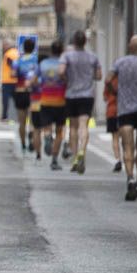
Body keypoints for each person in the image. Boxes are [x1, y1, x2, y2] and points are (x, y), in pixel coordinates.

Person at [110, 35, 137, 201]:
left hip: (125, 109)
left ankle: (130, 178)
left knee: (128, 146)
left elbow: (107, 79)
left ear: (129, 47)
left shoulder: (120, 62)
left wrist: (116, 92)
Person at [61, 30, 102, 174]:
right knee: (84, 125)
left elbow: (61, 72)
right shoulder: (92, 57)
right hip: (87, 95)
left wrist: (68, 81)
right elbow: (98, 76)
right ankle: (81, 152)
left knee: (72, 127)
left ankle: (74, 159)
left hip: (71, 94)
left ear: (74, 41)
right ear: (85, 42)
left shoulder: (67, 56)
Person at [38, 40, 68, 170]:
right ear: (62, 51)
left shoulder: (43, 64)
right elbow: (68, 80)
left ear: (51, 51)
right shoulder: (64, 65)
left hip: (45, 100)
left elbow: (36, 80)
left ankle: (47, 136)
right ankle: (54, 160)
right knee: (60, 131)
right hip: (60, 101)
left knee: (47, 126)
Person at [13, 37, 40, 152]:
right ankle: (31, 135)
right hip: (33, 93)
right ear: (34, 48)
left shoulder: (18, 61)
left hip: (20, 92)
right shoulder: (36, 60)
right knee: (33, 119)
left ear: (23, 48)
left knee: (21, 121)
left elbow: (13, 74)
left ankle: (23, 144)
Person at [102, 76, 122, 173]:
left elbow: (105, 97)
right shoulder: (124, 79)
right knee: (127, 137)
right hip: (124, 111)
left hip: (111, 112)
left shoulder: (108, 81)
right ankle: (128, 157)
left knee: (115, 138)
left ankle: (118, 159)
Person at [0, 41, 19, 121]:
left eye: (3, 45)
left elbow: (12, 64)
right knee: (17, 100)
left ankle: (4, 116)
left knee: (5, 100)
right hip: (17, 81)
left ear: (7, 45)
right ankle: (19, 116)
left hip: (8, 81)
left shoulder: (8, 54)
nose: (2, 47)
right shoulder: (17, 52)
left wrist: (13, 73)